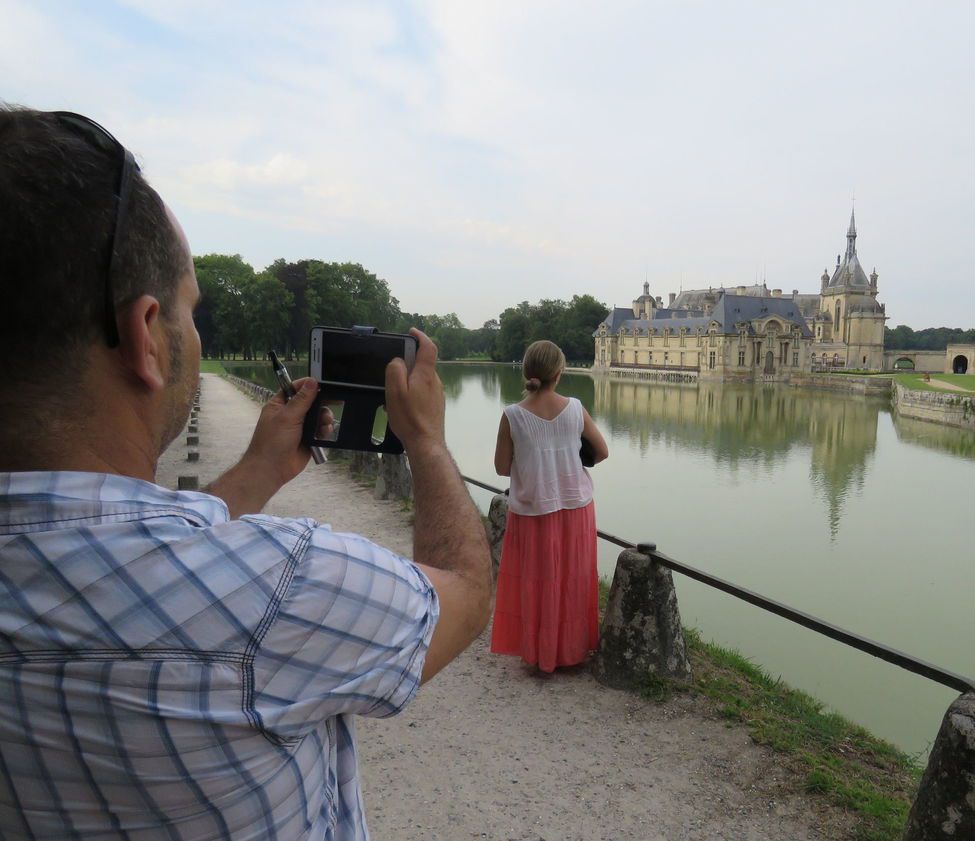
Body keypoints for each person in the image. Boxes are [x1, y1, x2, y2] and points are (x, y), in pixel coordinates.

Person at [0, 106, 494, 839]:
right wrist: (424, 438)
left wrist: (259, 470)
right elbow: (463, 592)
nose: (194, 337)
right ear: (147, 337)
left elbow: (140, 541)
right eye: (190, 312)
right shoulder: (279, 588)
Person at [492, 340, 609, 673]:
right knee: (573, 579)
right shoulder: (575, 408)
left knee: (537, 581)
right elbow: (601, 451)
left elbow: (502, 467)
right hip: (575, 506)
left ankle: (538, 652)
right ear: (560, 373)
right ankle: (570, 652)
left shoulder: (512, 416)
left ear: (527, 372)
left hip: (532, 508)